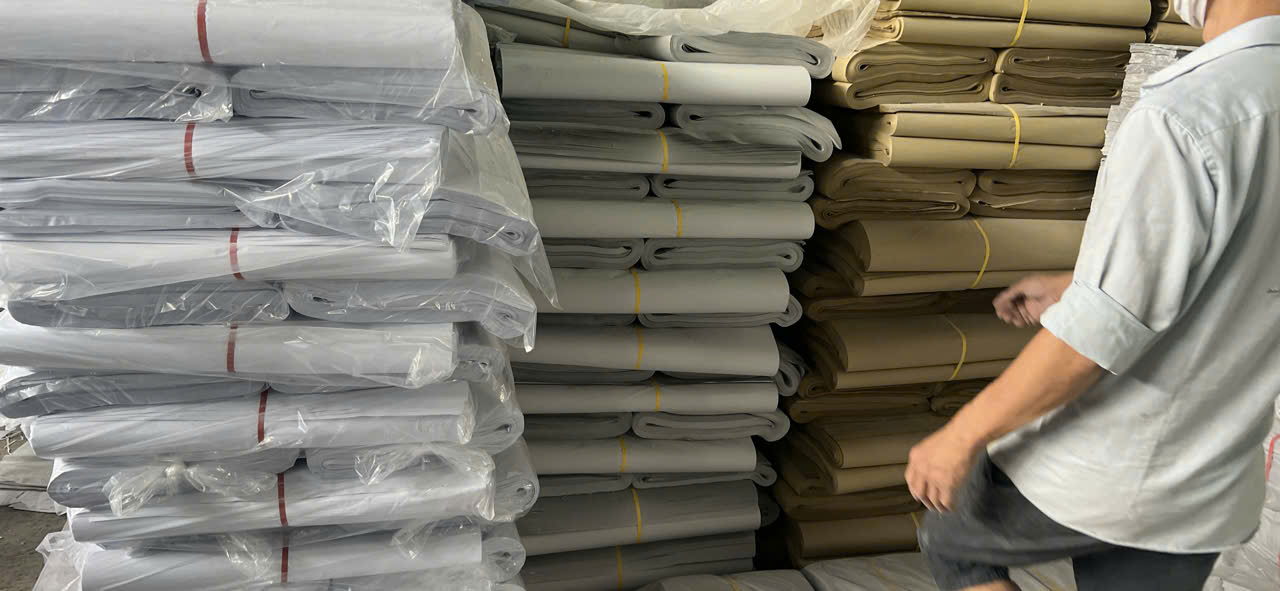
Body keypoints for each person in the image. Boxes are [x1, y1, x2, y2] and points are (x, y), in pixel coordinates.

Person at [903, 1, 1280, 589]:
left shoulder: (1191, 110)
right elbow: (1251, 268)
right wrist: (1087, 283)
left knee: (953, 540)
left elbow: (1096, 335)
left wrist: (962, 434)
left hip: (1119, 467)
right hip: (1211, 483)